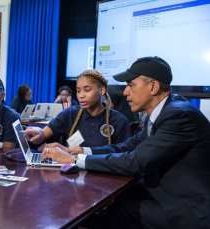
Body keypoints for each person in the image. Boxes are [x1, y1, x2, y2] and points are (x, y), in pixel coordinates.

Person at [42, 57, 210, 228]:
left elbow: (135, 161)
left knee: (106, 212)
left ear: (153, 87)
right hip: (164, 192)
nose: (125, 92)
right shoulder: (164, 112)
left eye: (131, 85)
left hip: (189, 209)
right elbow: (126, 146)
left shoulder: (177, 116)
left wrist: (73, 161)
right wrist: (80, 152)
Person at [24, 69, 131, 148]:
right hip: (71, 174)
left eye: (87, 90)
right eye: (78, 90)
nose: (81, 95)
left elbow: (122, 157)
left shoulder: (119, 121)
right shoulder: (70, 114)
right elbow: (43, 135)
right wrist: (38, 135)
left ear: (102, 90)